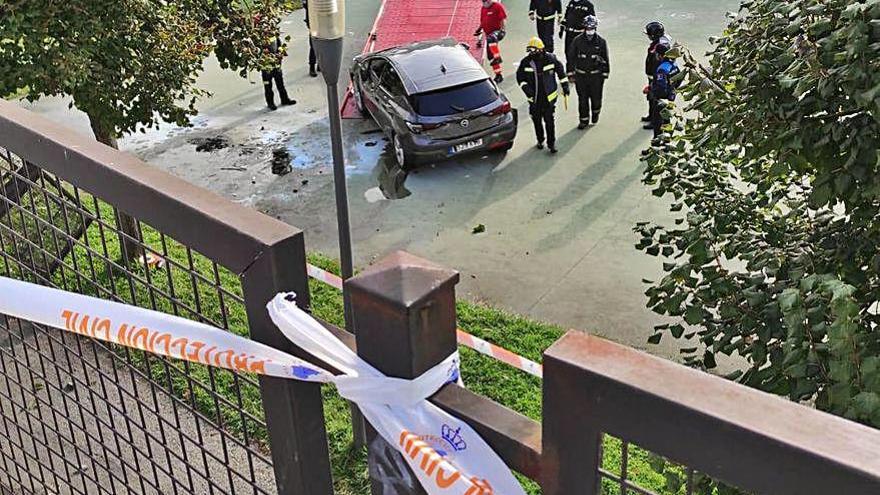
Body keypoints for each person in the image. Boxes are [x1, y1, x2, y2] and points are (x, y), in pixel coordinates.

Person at [517, 37, 570, 153]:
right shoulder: (526, 62)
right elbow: (520, 77)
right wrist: (525, 88)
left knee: (549, 122)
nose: (531, 53)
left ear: (541, 49)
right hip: (534, 99)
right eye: (529, 51)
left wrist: (565, 86)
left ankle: (551, 144)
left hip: (548, 100)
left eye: (533, 50)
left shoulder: (551, 59)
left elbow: (561, 72)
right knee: (536, 121)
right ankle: (540, 140)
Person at [566, 15, 609, 129]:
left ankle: (595, 114)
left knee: (596, 99)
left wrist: (605, 73)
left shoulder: (601, 42)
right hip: (581, 76)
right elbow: (571, 57)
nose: (590, 31)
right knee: (583, 100)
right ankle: (583, 121)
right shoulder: (577, 41)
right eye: (588, 28)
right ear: (584, 28)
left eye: (592, 28)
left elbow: (605, 58)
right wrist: (570, 73)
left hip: (596, 77)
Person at [649, 42, 682, 139]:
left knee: (657, 123)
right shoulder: (674, 65)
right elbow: (679, 79)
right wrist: (672, 90)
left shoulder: (662, 69)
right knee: (667, 121)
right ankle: (667, 144)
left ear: (660, 55)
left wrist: (652, 90)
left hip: (661, 100)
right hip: (671, 97)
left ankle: (657, 145)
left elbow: (661, 87)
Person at [643, 21, 670, 128]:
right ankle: (651, 116)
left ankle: (656, 122)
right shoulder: (657, 44)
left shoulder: (661, 47)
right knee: (651, 97)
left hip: (658, 78)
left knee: (656, 99)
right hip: (653, 76)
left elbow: (659, 64)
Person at [475, 0, 508, 83]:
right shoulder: (483, 9)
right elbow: (483, 21)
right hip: (489, 35)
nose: (485, 3)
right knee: (490, 56)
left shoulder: (497, 6)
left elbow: (503, 18)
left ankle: (498, 57)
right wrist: (479, 30)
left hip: (498, 31)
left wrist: (503, 30)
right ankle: (498, 75)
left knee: (491, 38)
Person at [261, 36, 296, 110]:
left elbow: (279, 46)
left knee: (280, 84)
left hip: (276, 65)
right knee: (268, 86)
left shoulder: (274, 35)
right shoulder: (260, 38)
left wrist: (280, 53)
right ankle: (270, 103)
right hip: (266, 68)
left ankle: (284, 99)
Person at [304, 0, 319, 77]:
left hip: (323, 19)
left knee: (324, 41)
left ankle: (321, 64)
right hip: (312, 20)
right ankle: (312, 67)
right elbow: (306, 5)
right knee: (314, 44)